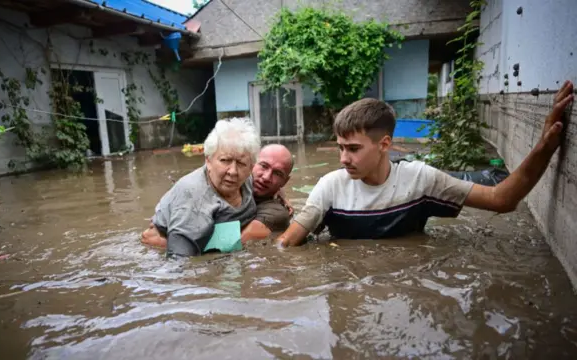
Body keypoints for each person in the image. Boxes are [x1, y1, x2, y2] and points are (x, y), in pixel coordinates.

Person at [276, 80, 574, 247]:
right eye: (340, 148)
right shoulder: (330, 187)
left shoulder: (421, 179)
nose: (343, 159)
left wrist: (544, 147)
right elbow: (285, 245)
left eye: (353, 149)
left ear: (385, 145)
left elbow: (502, 199)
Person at [142, 144, 295, 248]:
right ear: (251, 163)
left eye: (277, 174)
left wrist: (162, 243)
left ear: (285, 181)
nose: (267, 177)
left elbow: (232, 244)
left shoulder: (276, 214)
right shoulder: (237, 176)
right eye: (263, 166)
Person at [150, 117, 261, 257]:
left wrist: (280, 195)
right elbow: (179, 260)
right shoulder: (193, 194)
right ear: (208, 161)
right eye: (225, 160)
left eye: (241, 163)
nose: (233, 171)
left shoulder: (249, 180)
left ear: (251, 167)